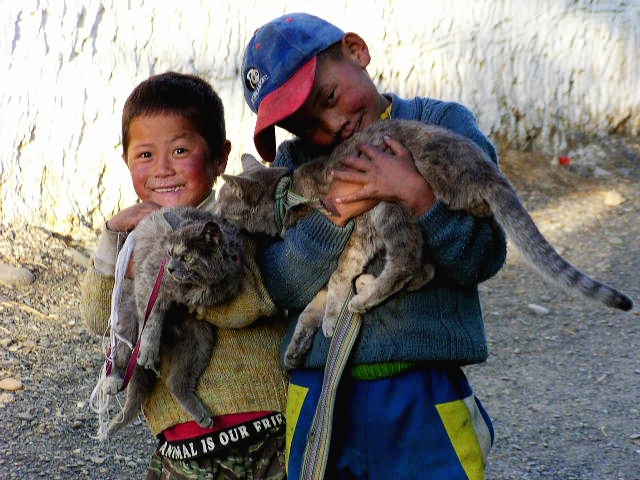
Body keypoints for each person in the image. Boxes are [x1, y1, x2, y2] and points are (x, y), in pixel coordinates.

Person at [241, 13, 507, 480]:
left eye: (328, 98)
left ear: (357, 50)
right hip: (320, 393)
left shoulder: (440, 125)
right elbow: (279, 283)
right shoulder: (294, 167)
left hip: (423, 393)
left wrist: (420, 198)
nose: (332, 125)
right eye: (308, 125)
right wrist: (333, 216)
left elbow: (482, 256)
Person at [80, 71, 288, 479]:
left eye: (179, 151)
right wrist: (112, 243)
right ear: (126, 162)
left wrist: (164, 277)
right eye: (144, 156)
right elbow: (98, 317)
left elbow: (247, 303)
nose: (162, 170)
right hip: (179, 449)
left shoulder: (233, 225)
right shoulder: (139, 237)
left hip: (264, 435)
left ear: (219, 158)